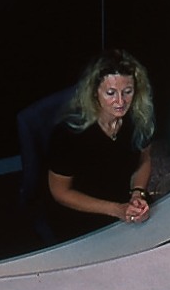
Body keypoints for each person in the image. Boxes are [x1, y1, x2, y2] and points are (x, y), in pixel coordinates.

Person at [45, 52, 156, 231]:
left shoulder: (138, 118)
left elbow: (144, 160)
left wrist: (138, 193)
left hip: (123, 201)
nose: (120, 101)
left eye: (127, 92)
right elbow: (60, 192)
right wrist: (116, 210)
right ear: (95, 92)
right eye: (110, 93)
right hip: (84, 213)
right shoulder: (68, 133)